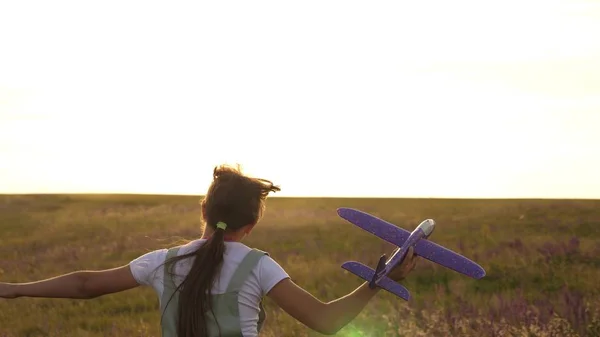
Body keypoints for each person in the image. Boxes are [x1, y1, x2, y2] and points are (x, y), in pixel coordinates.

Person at [0, 164, 418, 336]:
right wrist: (377, 283)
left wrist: (14, 289)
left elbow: (86, 284)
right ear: (252, 224)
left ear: (204, 209)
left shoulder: (163, 261)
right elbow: (326, 321)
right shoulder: (258, 265)